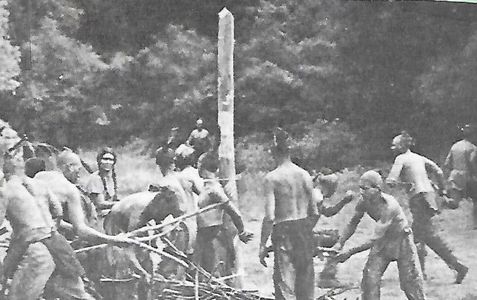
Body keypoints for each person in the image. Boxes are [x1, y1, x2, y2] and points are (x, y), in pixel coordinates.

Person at [0, 151, 90, 300]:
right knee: (78, 294)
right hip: (57, 243)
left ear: (5, 166)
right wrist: (49, 227)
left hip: (34, 248)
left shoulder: (6, 190)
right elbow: (58, 211)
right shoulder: (40, 184)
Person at [386, 131, 468, 283]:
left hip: (418, 198)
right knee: (420, 236)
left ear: (402, 146)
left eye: (395, 145)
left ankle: (456, 266)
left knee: (425, 237)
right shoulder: (419, 157)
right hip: (429, 196)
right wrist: (443, 191)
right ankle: (422, 272)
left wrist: (398, 184)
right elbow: (437, 170)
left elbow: (391, 180)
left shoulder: (401, 158)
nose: (393, 148)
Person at [334, 171, 426, 300]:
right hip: (384, 240)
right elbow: (353, 222)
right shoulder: (363, 201)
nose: (361, 192)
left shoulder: (389, 206)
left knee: (410, 282)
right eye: (360, 188)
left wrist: (350, 252)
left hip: (401, 240)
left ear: (377, 189)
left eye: (365, 188)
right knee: (370, 277)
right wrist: (340, 243)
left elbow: (375, 238)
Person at [258, 127, 318, 300]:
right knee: (305, 283)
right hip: (304, 228)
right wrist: (305, 230)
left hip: (283, 230)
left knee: (285, 284)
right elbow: (314, 212)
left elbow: (270, 217)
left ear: (273, 153)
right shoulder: (304, 175)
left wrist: (263, 245)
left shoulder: (272, 178)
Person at [194, 150, 253, 282]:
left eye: (198, 163)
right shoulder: (207, 186)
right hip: (205, 238)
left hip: (214, 238)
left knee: (214, 278)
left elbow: (234, 211)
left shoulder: (214, 189)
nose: (196, 166)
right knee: (204, 276)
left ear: (202, 167)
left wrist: (242, 231)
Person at [312, 172, 355, 288]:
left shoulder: (314, 193)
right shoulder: (317, 197)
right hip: (302, 235)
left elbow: (328, 212)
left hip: (299, 232)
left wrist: (343, 201)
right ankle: (327, 277)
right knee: (336, 239)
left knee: (334, 234)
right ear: (330, 187)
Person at [444, 124, 477, 228]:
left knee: (454, 203)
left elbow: (447, 163)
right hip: (467, 176)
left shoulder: (455, 146)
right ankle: (475, 223)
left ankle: (442, 201)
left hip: (454, 175)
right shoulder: (472, 148)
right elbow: (472, 162)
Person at [85, 147, 118, 216]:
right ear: (100, 160)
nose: (108, 162)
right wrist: (121, 203)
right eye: (105, 159)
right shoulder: (95, 178)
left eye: (110, 160)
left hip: (110, 214)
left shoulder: (112, 178)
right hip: (97, 216)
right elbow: (100, 204)